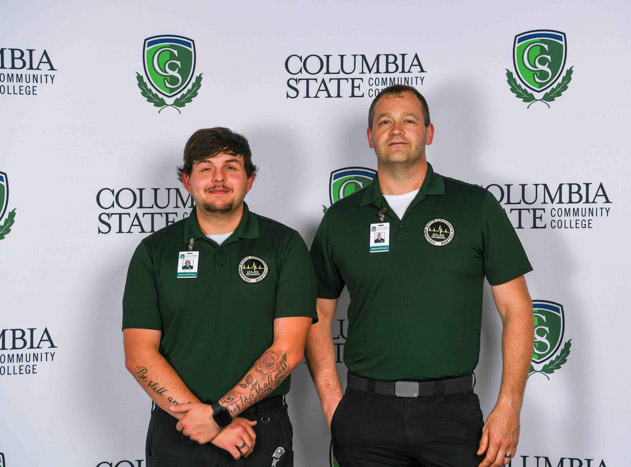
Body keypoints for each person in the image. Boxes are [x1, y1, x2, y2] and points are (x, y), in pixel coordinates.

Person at [306, 85, 534, 467]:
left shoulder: (475, 206)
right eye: (384, 122)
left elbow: (517, 309)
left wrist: (509, 407)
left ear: (428, 133)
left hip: (453, 416)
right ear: (370, 137)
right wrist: (334, 407)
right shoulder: (341, 218)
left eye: (409, 120)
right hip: (365, 417)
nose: (396, 130)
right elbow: (316, 314)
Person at [123, 127, 316, 466]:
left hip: (259, 431)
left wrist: (217, 415)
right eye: (205, 167)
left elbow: (288, 351)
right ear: (187, 180)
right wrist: (211, 423)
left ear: (249, 179)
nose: (218, 178)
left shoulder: (284, 245)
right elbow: (139, 355)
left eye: (231, 167)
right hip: (178, 428)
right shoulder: (153, 252)